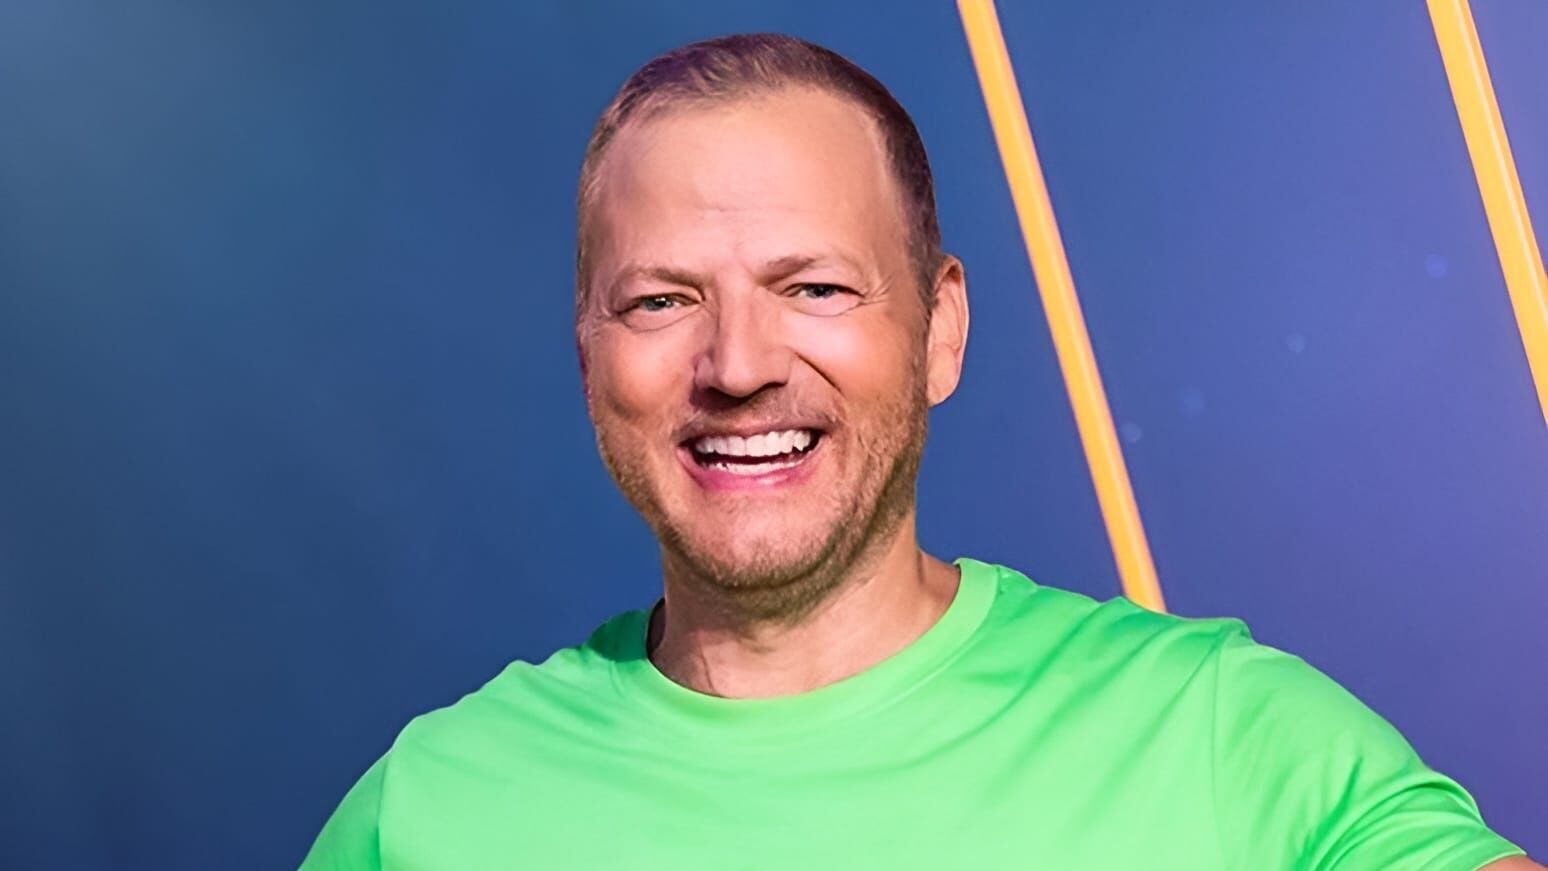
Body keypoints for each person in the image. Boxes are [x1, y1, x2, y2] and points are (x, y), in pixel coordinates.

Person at [301, 33, 1537, 870]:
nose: (739, 363)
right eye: (662, 301)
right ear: (589, 358)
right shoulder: (430, 812)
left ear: (940, 331)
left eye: (815, 287)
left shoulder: (1215, 735)